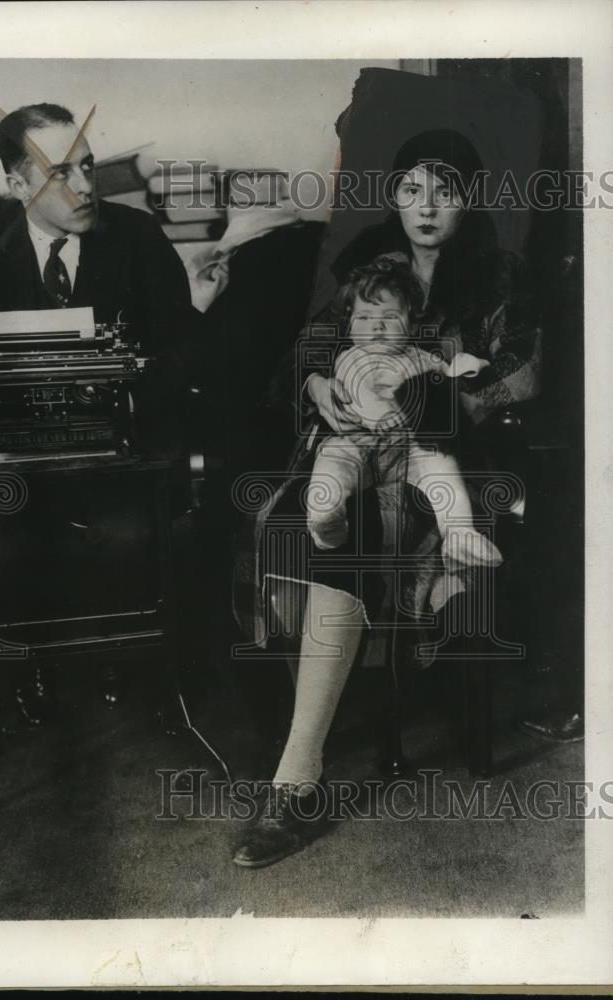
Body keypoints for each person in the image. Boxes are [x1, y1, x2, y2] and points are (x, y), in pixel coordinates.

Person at [231, 129, 542, 869]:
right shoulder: (367, 260)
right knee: (322, 518)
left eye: (445, 191)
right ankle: (299, 770)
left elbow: (522, 376)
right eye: (411, 189)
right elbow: (307, 348)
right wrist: (316, 386)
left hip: (451, 458)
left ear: (467, 198)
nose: (426, 206)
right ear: (393, 195)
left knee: (389, 517)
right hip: (356, 456)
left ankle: (295, 780)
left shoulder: (499, 271)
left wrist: (425, 405)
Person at [0, 102, 205, 447]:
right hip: (14, 450)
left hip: (125, 443)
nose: (85, 186)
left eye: (87, 166)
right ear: (19, 186)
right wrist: (6, 424)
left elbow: (185, 344)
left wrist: (126, 406)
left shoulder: (138, 233)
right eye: (60, 173)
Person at [306, 256, 501, 570]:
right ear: (349, 324)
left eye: (390, 316)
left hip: (411, 449)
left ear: (411, 323)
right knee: (331, 464)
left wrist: (470, 365)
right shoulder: (347, 359)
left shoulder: (424, 359)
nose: (378, 325)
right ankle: (326, 518)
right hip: (357, 442)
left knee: (444, 467)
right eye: (366, 317)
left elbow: (451, 381)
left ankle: (459, 533)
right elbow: (357, 391)